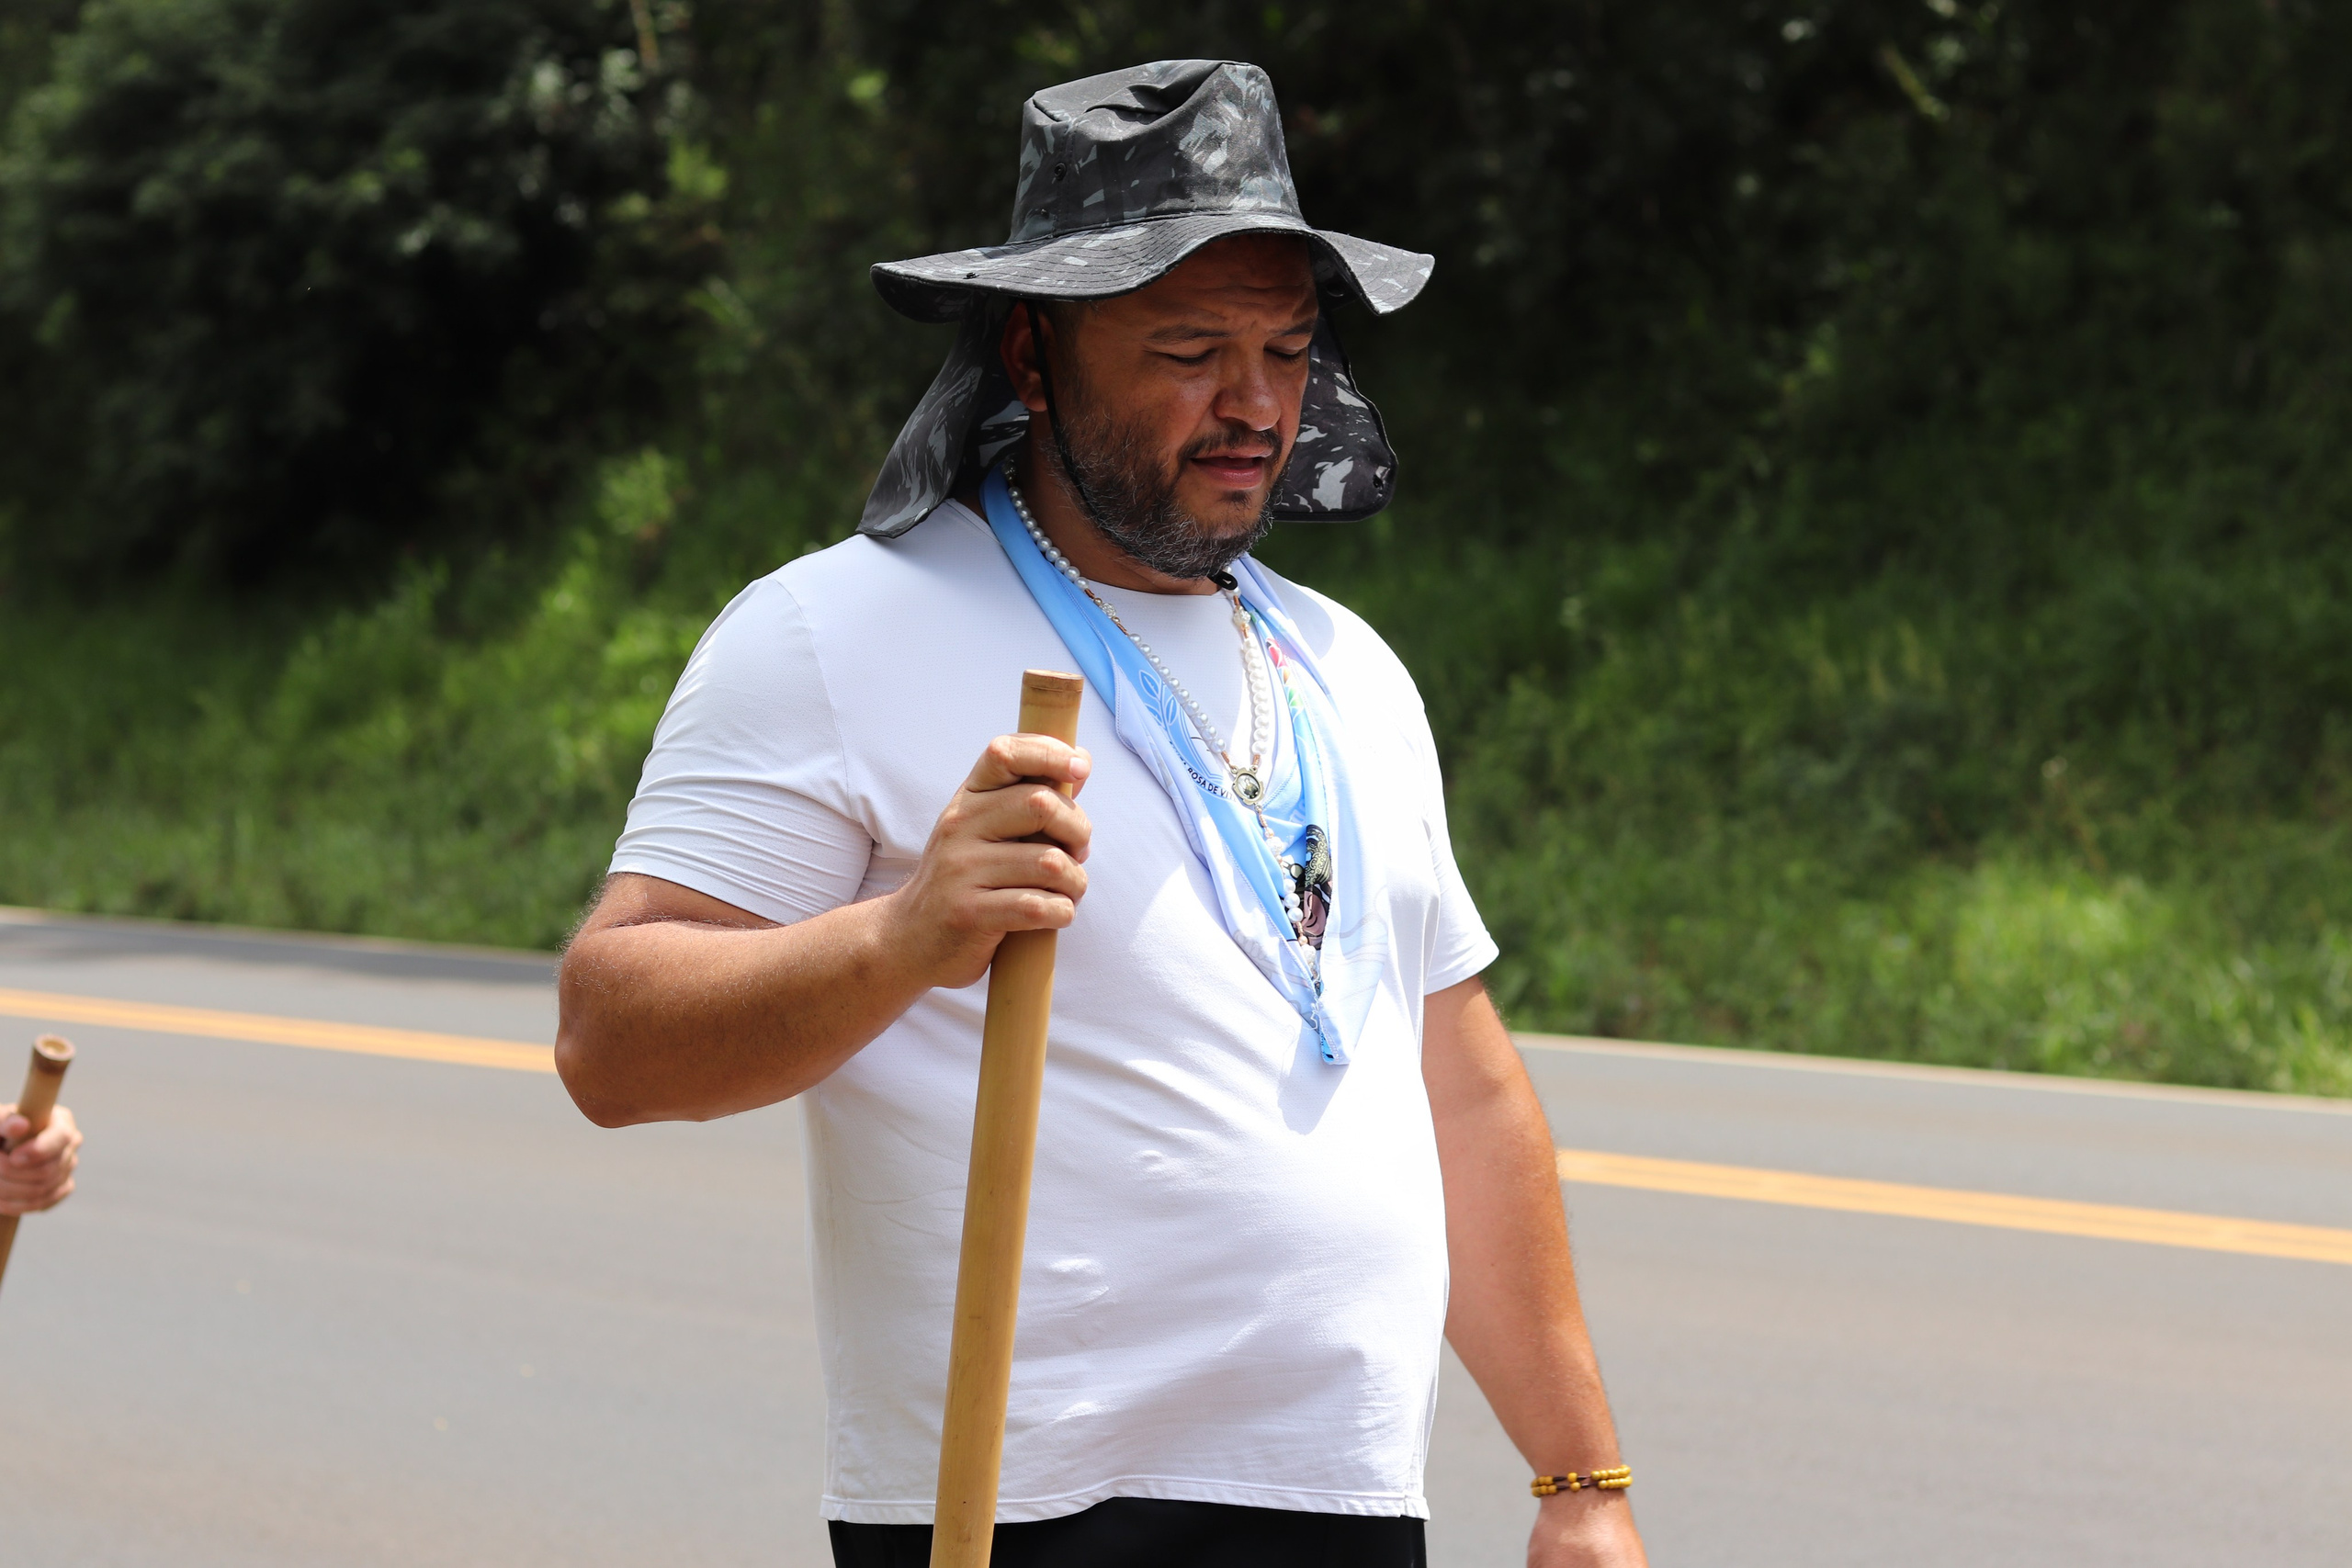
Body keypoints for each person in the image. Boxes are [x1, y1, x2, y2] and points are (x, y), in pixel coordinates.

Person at [556, 60, 1648, 1568]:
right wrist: (902, 938)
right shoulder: (833, 632)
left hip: (1339, 1502)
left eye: (1284, 346)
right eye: (1189, 349)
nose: (1254, 403)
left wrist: (1579, 1486)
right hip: (1025, 1515)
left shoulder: (1346, 667)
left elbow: (1458, 1089)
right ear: (1031, 353)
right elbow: (611, 1040)